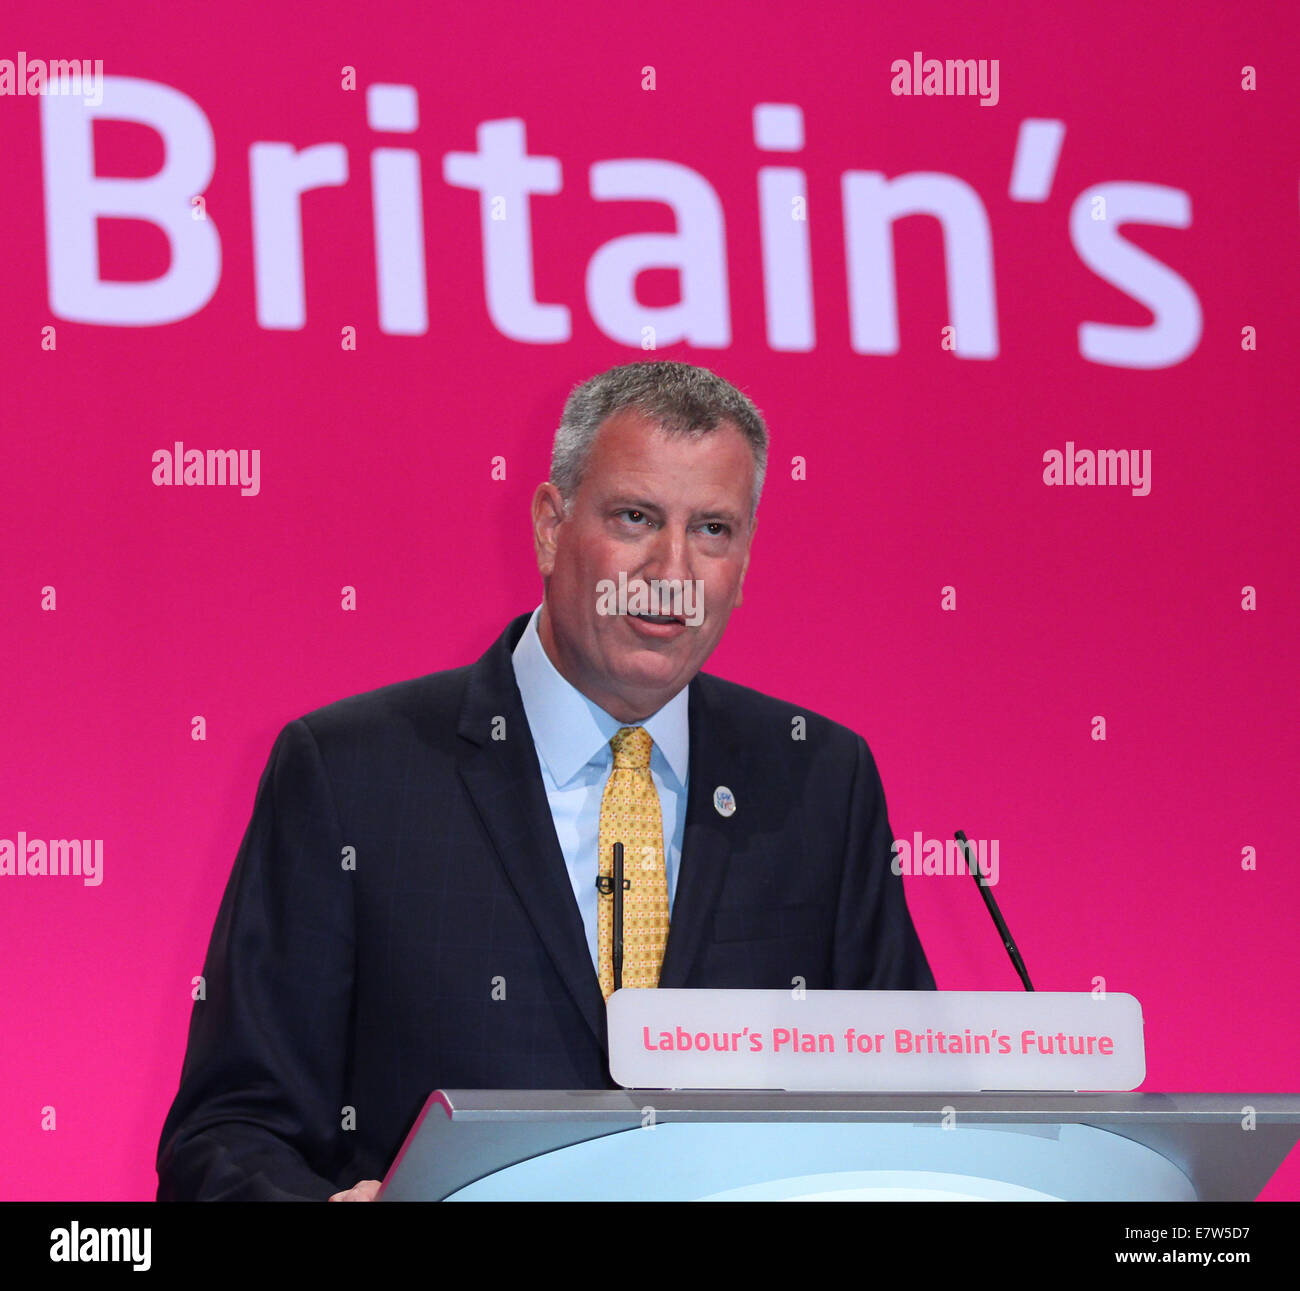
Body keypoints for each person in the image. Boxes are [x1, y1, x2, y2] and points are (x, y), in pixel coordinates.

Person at [155, 360, 935, 1202]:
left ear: (745, 563)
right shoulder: (350, 775)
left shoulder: (820, 779)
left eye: (713, 529)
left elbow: (920, 1109)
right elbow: (227, 1135)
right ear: (549, 526)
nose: (673, 568)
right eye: (636, 517)